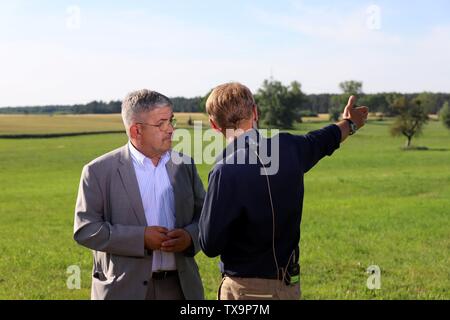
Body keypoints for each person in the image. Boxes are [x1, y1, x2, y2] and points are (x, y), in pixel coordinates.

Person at [199, 82, 368, 300]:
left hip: (243, 290)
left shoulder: (224, 170)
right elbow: (325, 138)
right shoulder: (289, 147)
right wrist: (351, 123)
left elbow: (210, 245)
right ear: (255, 112)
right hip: (289, 286)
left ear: (214, 125)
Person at [74, 89, 205, 300]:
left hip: (181, 289)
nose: (171, 129)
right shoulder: (98, 171)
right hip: (123, 290)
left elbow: (205, 216)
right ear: (136, 130)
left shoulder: (185, 165)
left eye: (171, 121)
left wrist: (190, 237)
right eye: (161, 123)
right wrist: (141, 238)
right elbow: (86, 229)